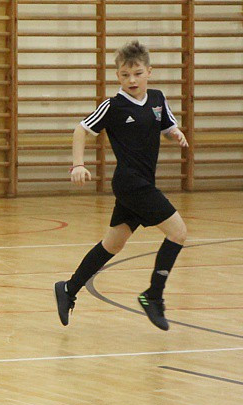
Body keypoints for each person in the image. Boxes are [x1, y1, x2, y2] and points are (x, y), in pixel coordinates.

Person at [55, 40, 189, 331]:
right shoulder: (113, 106)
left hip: (142, 183)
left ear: (149, 72)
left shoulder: (157, 99)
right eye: (126, 74)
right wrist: (78, 164)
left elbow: (166, 127)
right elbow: (81, 129)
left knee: (113, 244)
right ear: (118, 75)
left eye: (137, 73)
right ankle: (153, 296)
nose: (132, 80)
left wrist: (176, 134)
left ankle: (68, 288)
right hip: (131, 184)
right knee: (178, 232)